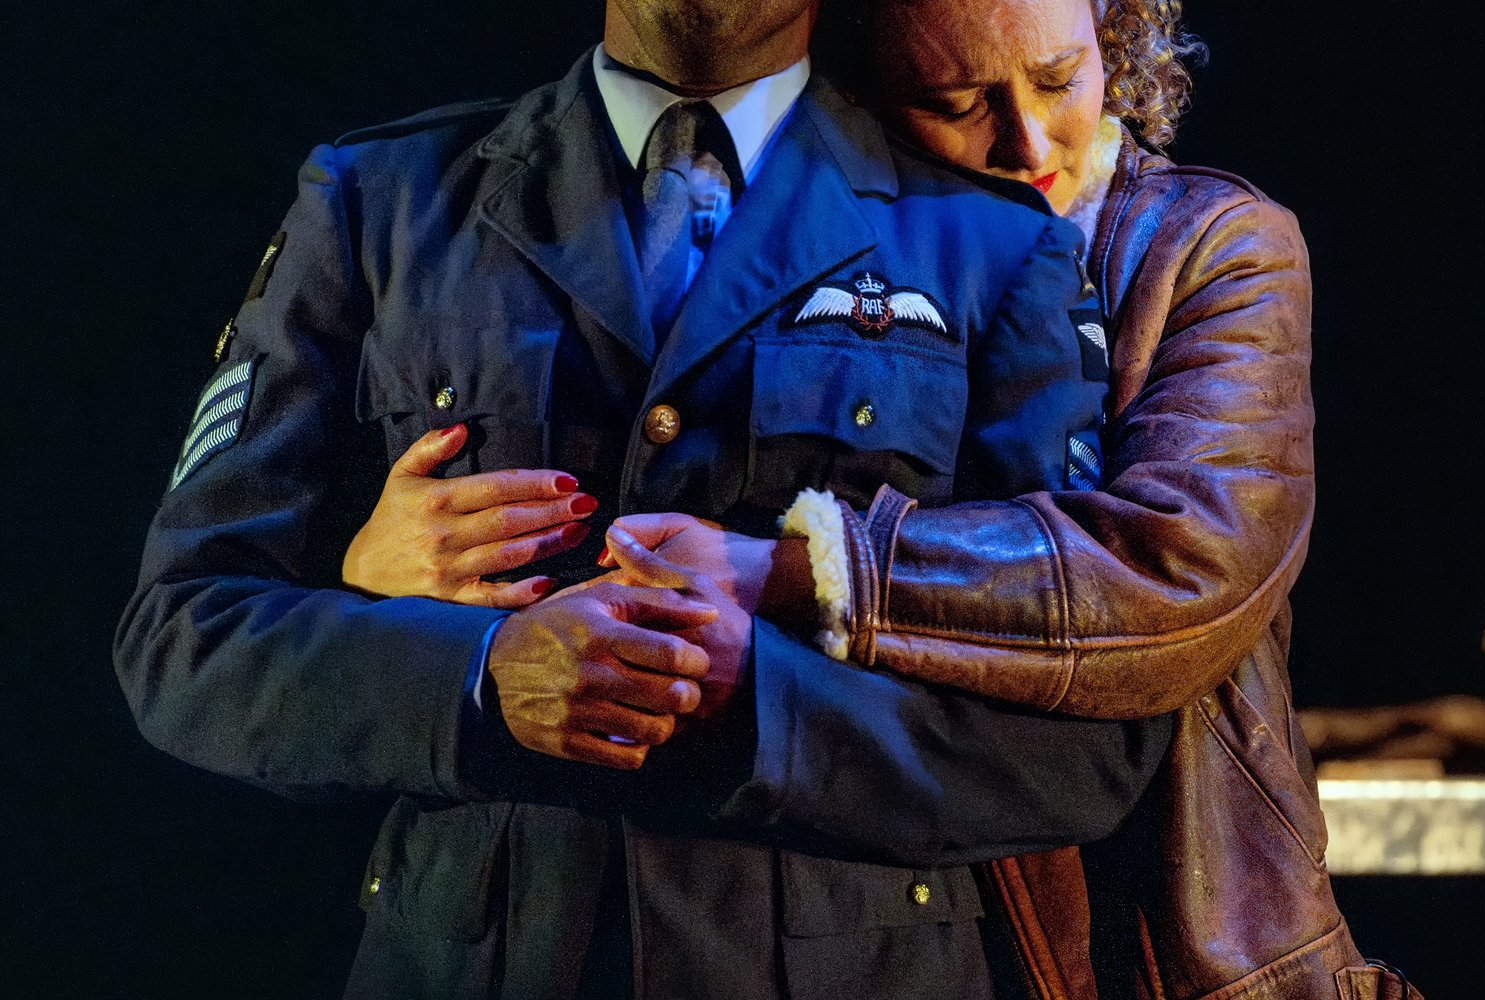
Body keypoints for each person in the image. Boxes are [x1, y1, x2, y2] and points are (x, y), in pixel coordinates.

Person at [342, 1, 1423, 997]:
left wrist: (804, 566)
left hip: (1162, 943)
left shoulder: (1203, 247)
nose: (1029, 142)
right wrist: (380, 570)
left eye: (1060, 79)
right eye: (953, 103)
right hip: (890, 910)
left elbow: (1178, 567)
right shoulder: (777, 225)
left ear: (1115, 37)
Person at [114, 1, 1177, 997]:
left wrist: (755, 705)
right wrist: (475, 683)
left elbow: (1088, 746)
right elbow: (185, 639)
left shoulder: (994, 242)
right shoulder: (379, 200)